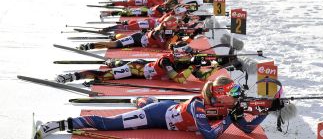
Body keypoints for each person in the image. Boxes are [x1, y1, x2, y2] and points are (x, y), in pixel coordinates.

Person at [35, 76, 272, 139]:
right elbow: (209, 135)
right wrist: (230, 117)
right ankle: (55, 125)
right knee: (111, 124)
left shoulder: (223, 107)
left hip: (170, 108)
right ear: (220, 96)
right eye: (233, 93)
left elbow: (248, 129)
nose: (237, 97)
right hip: (156, 117)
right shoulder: (200, 106)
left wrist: (263, 111)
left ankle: (142, 100)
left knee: (151, 102)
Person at [56, 42, 219, 84]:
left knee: (117, 66)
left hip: (145, 66)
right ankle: (73, 75)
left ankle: (114, 62)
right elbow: (178, 79)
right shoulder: (167, 61)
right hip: (137, 69)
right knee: (105, 76)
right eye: (189, 54)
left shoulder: (186, 62)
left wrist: (216, 67)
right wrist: (191, 66)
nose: (191, 56)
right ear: (181, 54)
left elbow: (203, 77)